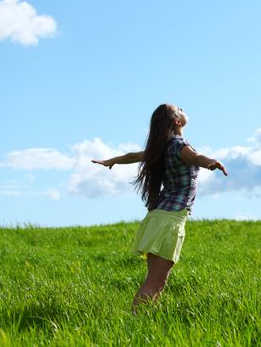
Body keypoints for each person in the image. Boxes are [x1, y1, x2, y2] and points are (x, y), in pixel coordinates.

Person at [91, 103, 228, 314]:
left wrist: (112, 161)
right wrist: (212, 162)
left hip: (158, 217)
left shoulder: (161, 148)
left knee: (155, 282)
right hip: (169, 221)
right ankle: (134, 320)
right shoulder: (180, 146)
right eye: (179, 109)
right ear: (176, 121)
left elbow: (133, 156)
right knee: (155, 283)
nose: (183, 108)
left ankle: (148, 320)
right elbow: (194, 158)